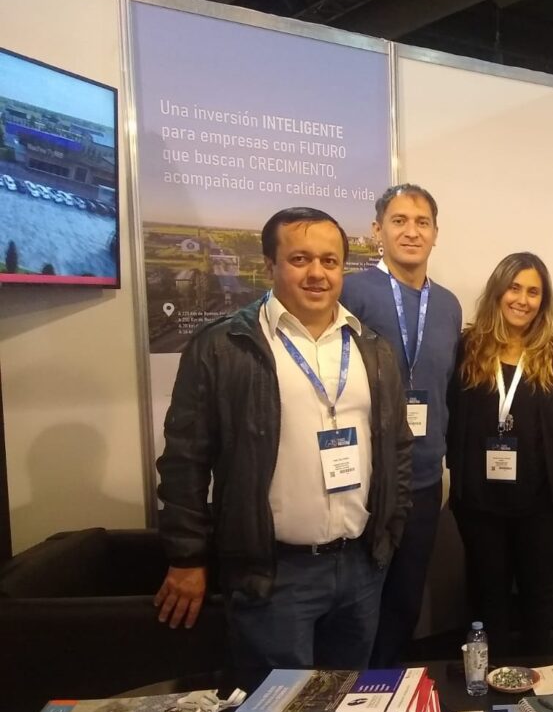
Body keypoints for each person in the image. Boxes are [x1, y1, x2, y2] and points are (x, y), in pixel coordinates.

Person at [154, 207, 412, 670]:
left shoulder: (372, 349)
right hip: (273, 576)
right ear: (270, 265)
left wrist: (389, 534)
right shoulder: (225, 346)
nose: (317, 273)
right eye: (300, 259)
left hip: (360, 570)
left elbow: (398, 448)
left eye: (329, 261)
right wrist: (186, 557)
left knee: (346, 704)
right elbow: (185, 460)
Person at [342, 184, 462, 668]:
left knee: (406, 600)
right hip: (366, 481)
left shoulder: (448, 305)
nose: (411, 231)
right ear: (378, 230)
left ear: (436, 233)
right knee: (359, 605)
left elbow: (446, 387)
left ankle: (388, 694)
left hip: (425, 480)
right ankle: (355, 699)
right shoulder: (351, 292)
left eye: (422, 222)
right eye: (399, 220)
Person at [446, 252, 553, 657]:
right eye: (514, 288)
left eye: (533, 292)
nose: (523, 299)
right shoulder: (468, 348)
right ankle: (490, 683)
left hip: (541, 504)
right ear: (498, 291)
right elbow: (454, 416)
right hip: (480, 504)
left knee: (538, 598)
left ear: (543, 300)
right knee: (488, 599)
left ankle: (537, 681)